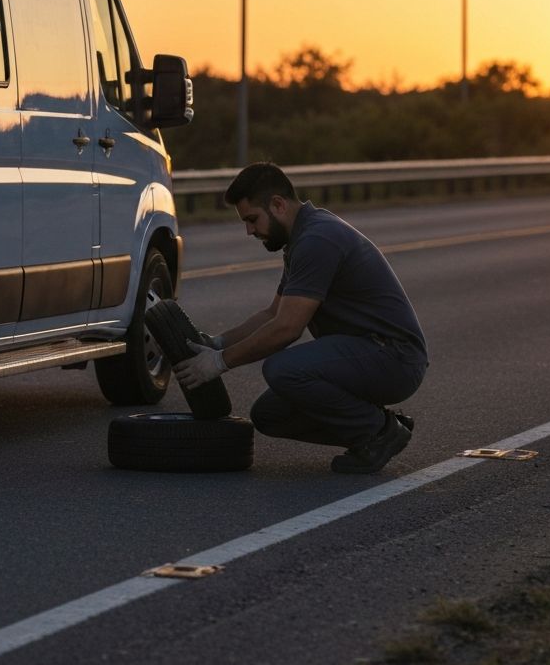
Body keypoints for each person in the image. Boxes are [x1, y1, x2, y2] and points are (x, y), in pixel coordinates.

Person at [174, 162, 428, 474]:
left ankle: (377, 431)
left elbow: (287, 328)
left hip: (394, 357)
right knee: (269, 415)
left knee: (284, 369)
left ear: (278, 204)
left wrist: (219, 362)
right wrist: (216, 343)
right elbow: (272, 313)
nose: (249, 230)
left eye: (252, 219)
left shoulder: (318, 239)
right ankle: (377, 429)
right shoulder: (303, 237)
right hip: (371, 353)